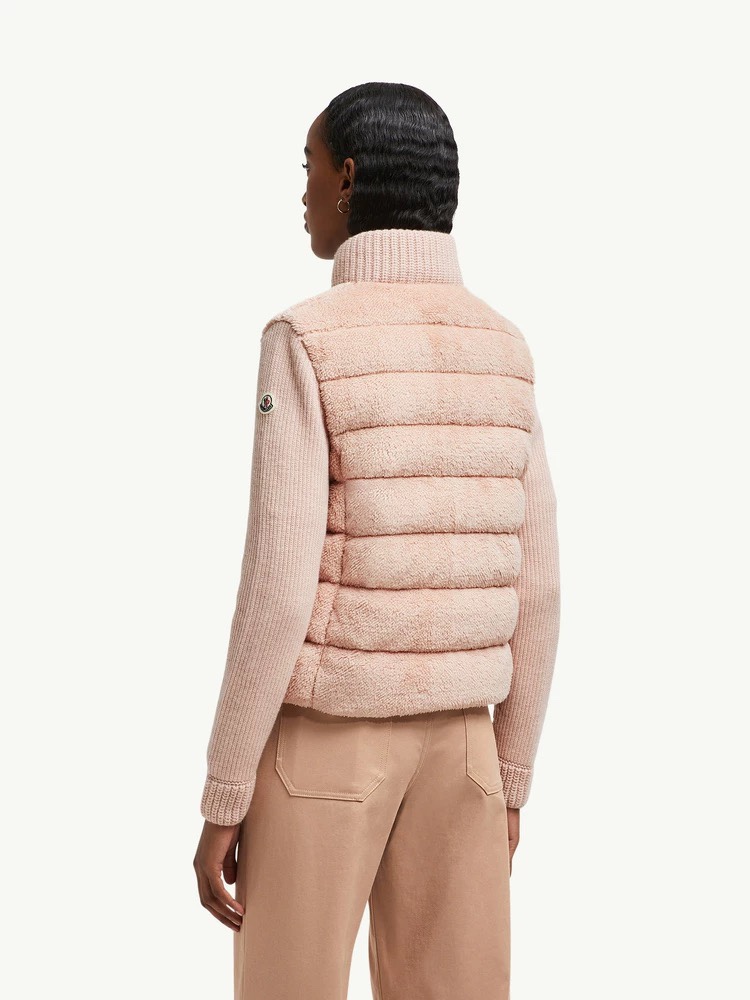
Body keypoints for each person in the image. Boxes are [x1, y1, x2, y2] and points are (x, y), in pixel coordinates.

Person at [193, 81, 561, 1000]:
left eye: (309, 168)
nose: (303, 192)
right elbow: (540, 586)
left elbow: (278, 584)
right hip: (466, 751)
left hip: (327, 745)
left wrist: (225, 792)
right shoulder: (505, 347)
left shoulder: (305, 339)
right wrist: (511, 774)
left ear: (350, 179)